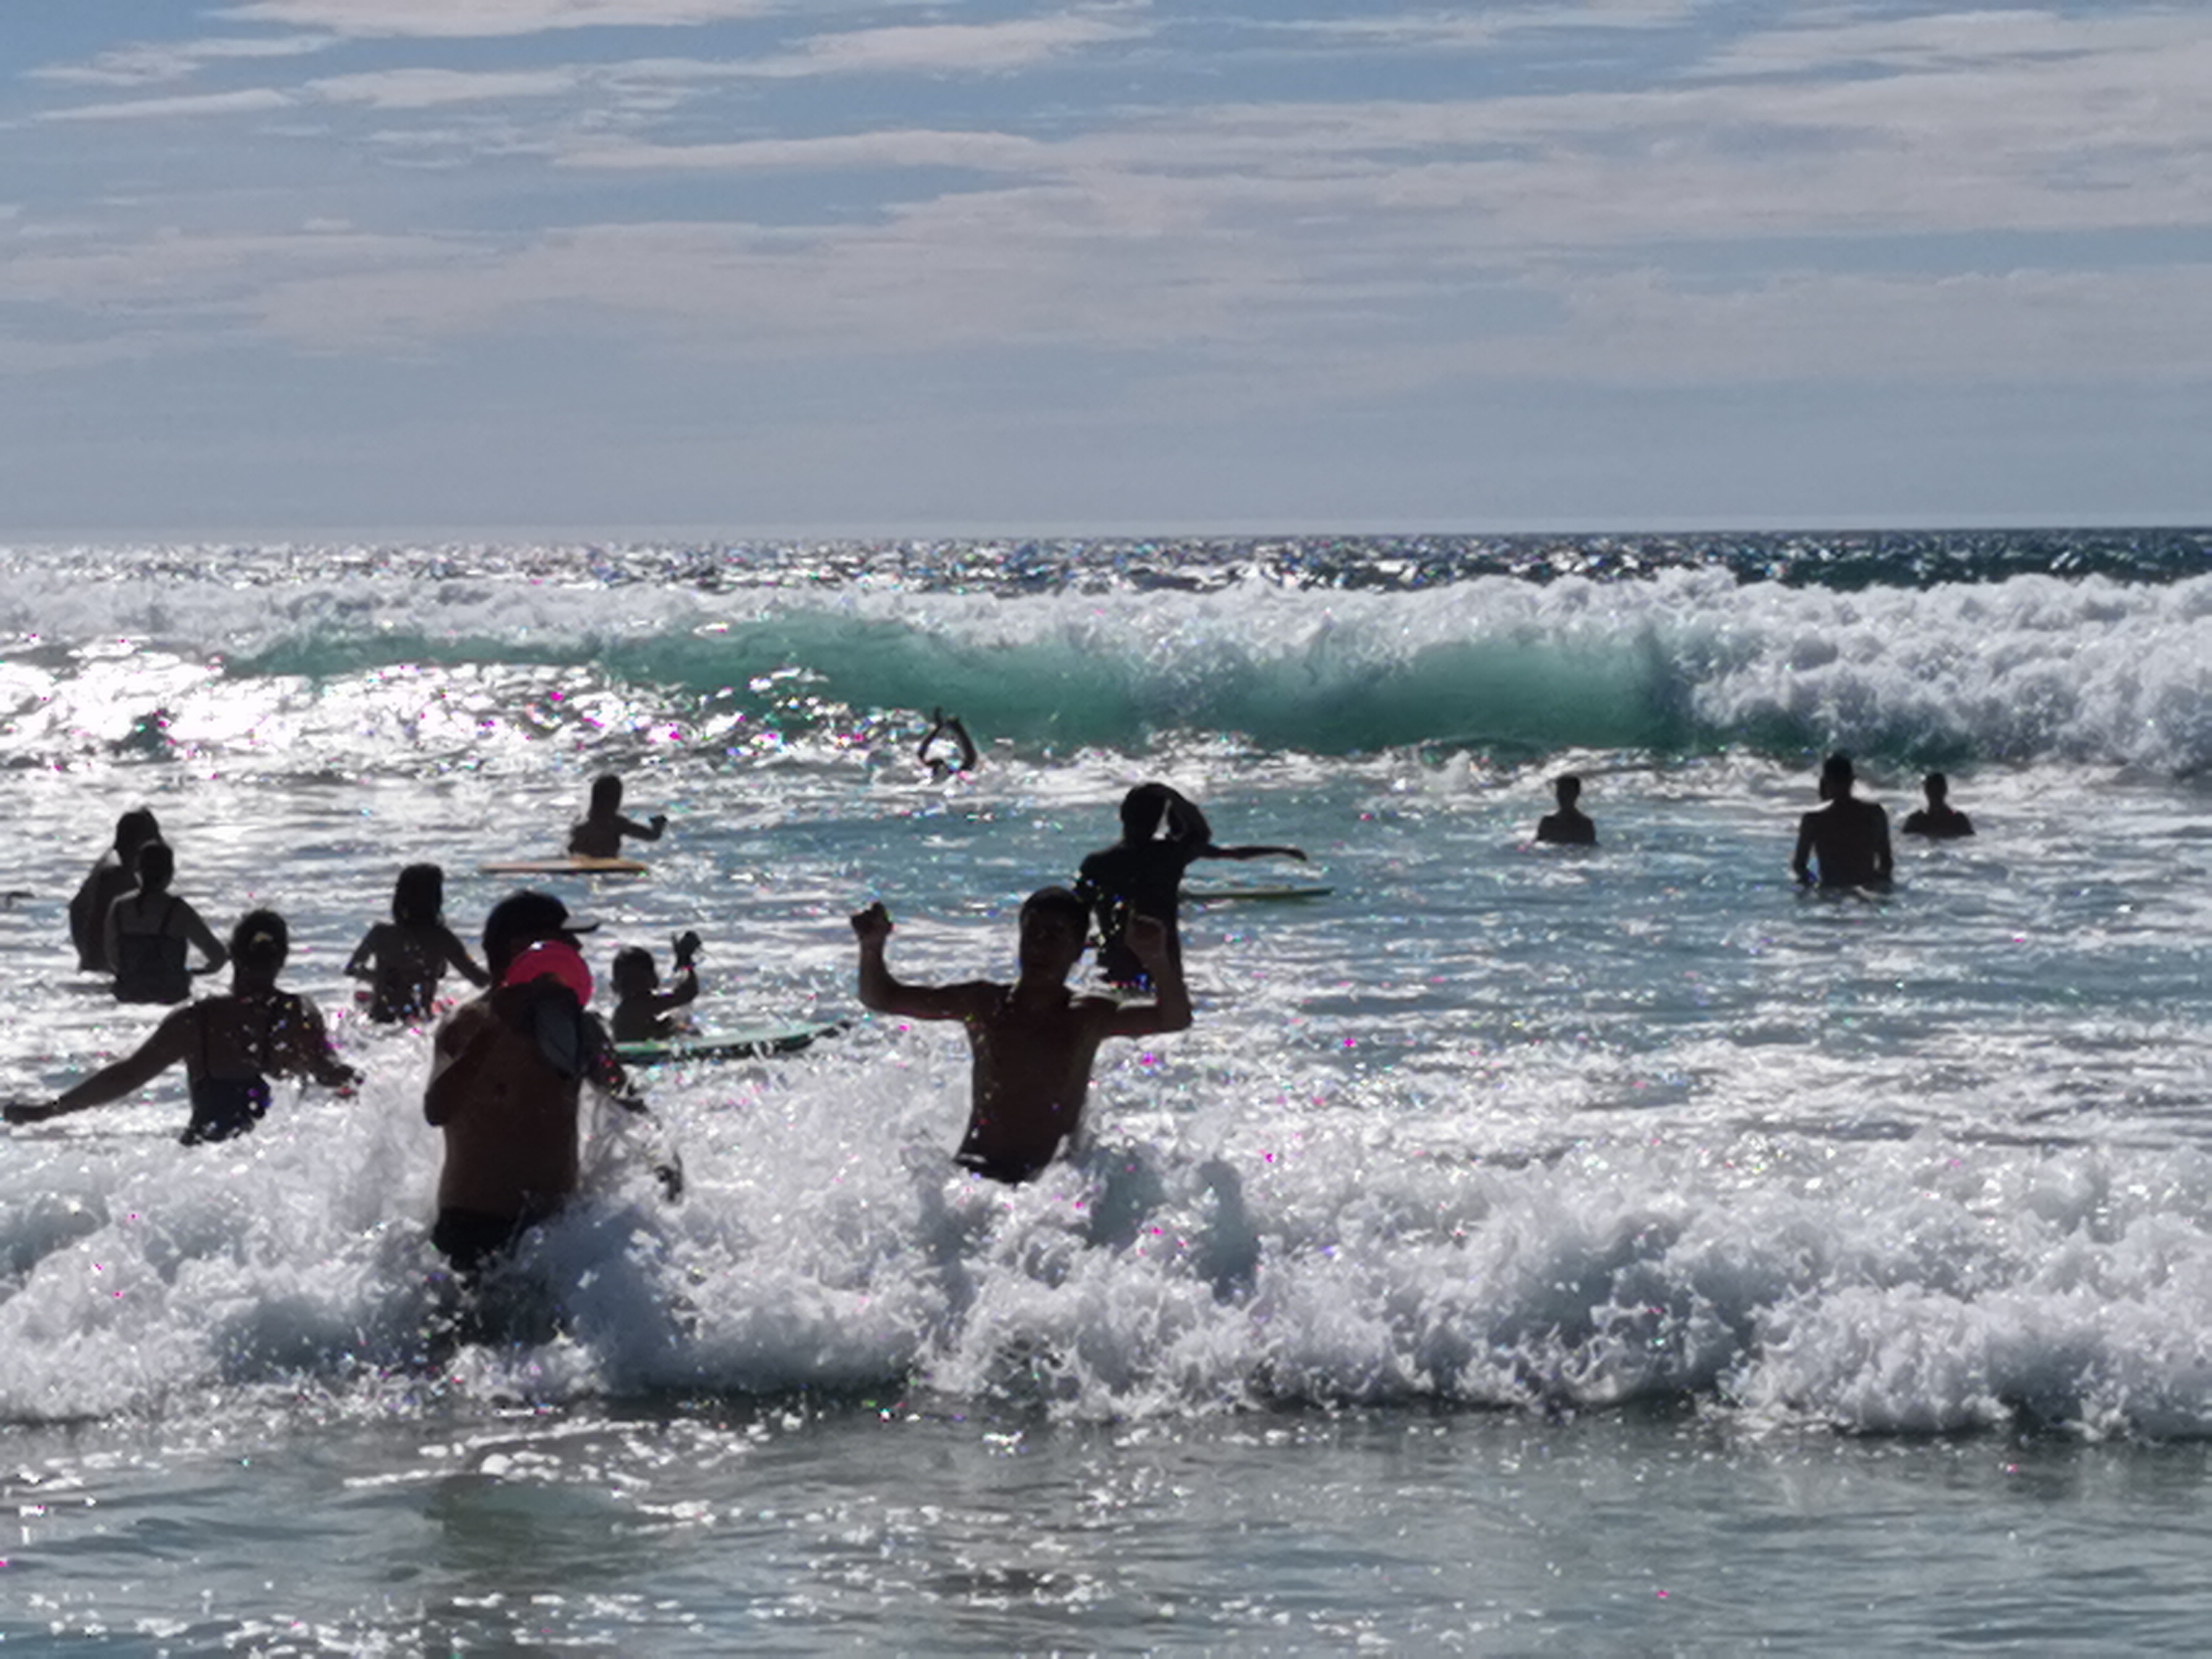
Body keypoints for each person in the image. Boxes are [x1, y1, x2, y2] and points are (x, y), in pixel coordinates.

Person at [851, 889, 1191, 1184]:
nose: (1042, 946)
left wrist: (1157, 958)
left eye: (1056, 935)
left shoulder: (1086, 1015)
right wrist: (871, 946)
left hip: (1049, 1189)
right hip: (976, 1177)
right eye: (1034, 934)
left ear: (1077, 950)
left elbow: (1173, 1018)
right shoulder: (984, 1005)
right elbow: (882, 997)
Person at [423, 890, 674, 1279]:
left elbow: (625, 1099)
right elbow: (436, 1109)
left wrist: (663, 1159)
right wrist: (495, 1030)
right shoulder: (467, 1023)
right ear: (527, 948)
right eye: (566, 939)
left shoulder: (580, 1026)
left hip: (558, 1233)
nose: (576, 947)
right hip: (475, 1227)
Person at [5, 910, 360, 1144]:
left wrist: (48, 1109)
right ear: (283, 958)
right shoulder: (299, 1013)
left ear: (232, 954)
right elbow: (328, 1072)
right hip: (274, 1169)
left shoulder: (197, 1020)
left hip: (204, 1162)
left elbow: (126, 1076)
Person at [1074, 783, 1306, 988]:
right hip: (1164, 961)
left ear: (1122, 815)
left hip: (1116, 958)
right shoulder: (1169, 856)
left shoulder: (1097, 863)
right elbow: (1202, 834)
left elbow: (1075, 913)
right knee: (1166, 1023)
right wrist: (1174, 797)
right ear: (1158, 821)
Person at [344, 863, 491, 1023]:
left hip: (380, 1017)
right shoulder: (441, 937)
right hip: (420, 1022)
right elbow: (478, 978)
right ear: (435, 900)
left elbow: (353, 969)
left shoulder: (381, 933)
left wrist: (380, 978)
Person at [104, 839, 228, 1004]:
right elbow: (217, 956)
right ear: (170, 873)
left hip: (128, 997)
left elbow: (113, 959)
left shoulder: (119, 908)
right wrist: (192, 972)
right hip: (171, 1000)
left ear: (138, 871)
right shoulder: (178, 910)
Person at [70, 808, 163, 973]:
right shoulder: (117, 873)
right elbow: (95, 922)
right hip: (102, 960)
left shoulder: (118, 863)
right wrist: (93, 964)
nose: (160, 841)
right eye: (154, 836)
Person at [1792, 752, 1894, 890]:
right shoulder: (1875, 814)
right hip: (1867, 890)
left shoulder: (1814, 821)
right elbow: (1886, 864)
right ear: (1852, 780)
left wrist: (1815, 885)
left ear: (1825, 782)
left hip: (1830, 893)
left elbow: (1799, 867)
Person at [609, 931, 703, 1043]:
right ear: (653, 979)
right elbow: (688, 993)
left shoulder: (625, 1010)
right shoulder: (641, 1006)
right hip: (641, 1056)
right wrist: (686, 962)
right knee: (682, 1025)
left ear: (615, 986)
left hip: (630, 1052)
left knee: (676, 1023)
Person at [568, 774, 667, 859]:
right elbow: (652, 836)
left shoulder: (581, 822)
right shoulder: (617, 824)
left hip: (582, 861)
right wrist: (658, 826)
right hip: (609, 865)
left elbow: (569, 849)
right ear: (616, 800)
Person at [1901, 771, 1975, 839]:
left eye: (1937, 789)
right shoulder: (1917, 820)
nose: (1935, 792)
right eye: (1932, 789)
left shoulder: (1917, 820)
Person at [1535, 774, 1597, 846]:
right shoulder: (1548, 823)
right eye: (1560, 792)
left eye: (1567, 792)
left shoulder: (1585, 825)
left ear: (1576, 794)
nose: (1563, 796)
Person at [917, 708, 978, 779]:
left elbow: (924, 746)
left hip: (942, 747)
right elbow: (970, 755)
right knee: (969, 762)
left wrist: (937, 729)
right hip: (953, 753)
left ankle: (952, 726)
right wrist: (958, 729)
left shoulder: (924, 759)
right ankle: (954, 726)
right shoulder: (965, 766)